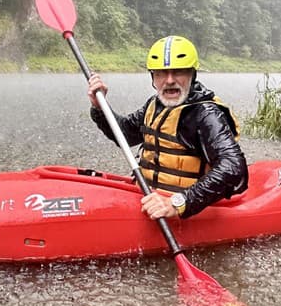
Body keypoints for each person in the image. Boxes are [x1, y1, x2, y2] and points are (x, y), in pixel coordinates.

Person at [87, 35, 248, 221]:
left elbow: (234, 167)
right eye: (161, 73)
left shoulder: (204, 113)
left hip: (185, 205)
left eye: (178, 72)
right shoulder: (155, 105)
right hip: (149, 197)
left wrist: (177, 203)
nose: (169, 80)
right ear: (153, 77)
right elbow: (126, 134)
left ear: (191, 75)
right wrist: (100, 107)